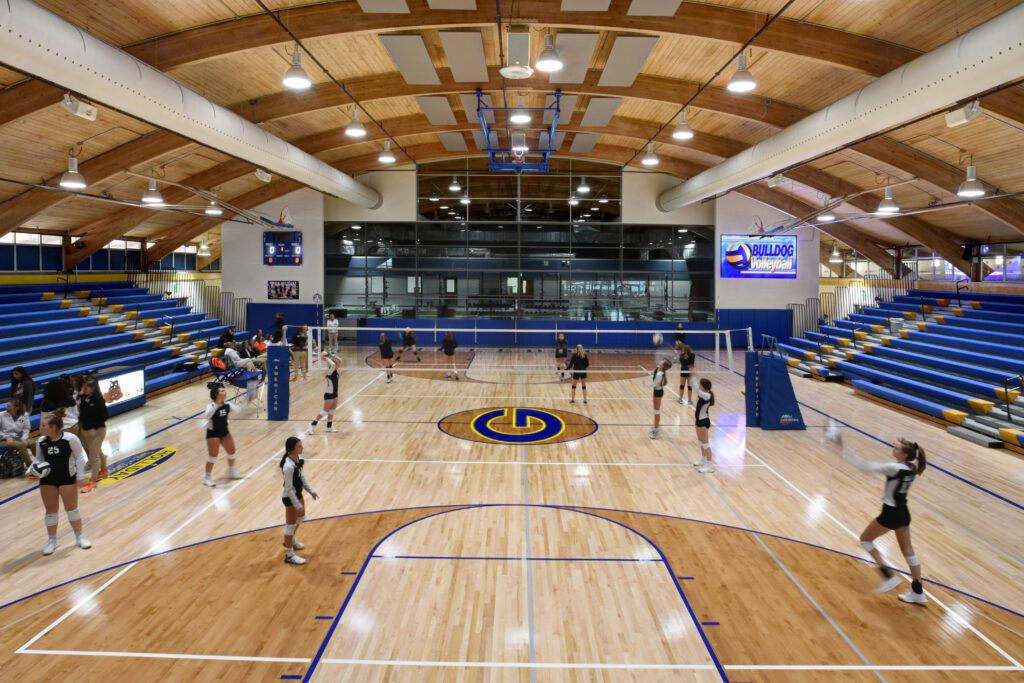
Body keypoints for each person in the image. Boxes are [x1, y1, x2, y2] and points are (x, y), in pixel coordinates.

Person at [847, 439, 929, 605]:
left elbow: (866, 467)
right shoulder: (911, 468)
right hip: (903, 513)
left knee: (865, 540)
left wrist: (846, 453)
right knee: (909, 553)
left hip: (890, 514)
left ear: (904, 454)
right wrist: (901, 443)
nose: (893, 448)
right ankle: (918, 592)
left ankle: (887, 575)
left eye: (896, 448)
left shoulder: (894, 468)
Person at [32, 414, 90, 555]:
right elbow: (38, 460)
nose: (40, 428)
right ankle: (52, 541)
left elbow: (80, 457)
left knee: (72, 509)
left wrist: (80, 476)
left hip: (67, 478)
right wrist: (32, 471)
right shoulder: (41, 441)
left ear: (53, 427)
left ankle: (80, 537)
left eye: (43, 425)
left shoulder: (70, 439)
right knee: (51, 512)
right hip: (48, 480)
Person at [280, 436, 319, 565]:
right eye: (299, 446)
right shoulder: (288, 466)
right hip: (290, 497)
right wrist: (296, 503)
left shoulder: (298, 458)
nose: (302, 448)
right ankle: (289, 555)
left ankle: (290, 540)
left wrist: (310, 490)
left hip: (297, 493)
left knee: (301, 516)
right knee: (290, 526)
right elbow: (288, 488)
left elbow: (301, 477)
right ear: (292, 449)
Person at [200, 384, 241, 487]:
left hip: (225, 432)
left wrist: (248, 401)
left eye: (224, 390)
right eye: (222, 391)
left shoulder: (228, 405)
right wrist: (217, 405)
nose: (225, 392)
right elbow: (207, 415)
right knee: (213, 456)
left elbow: (239, 411)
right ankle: (207, 478)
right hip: (213, 433)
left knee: (232, 452)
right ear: (216, 394)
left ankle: (231, 471)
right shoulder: (210, 406)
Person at [78, 378, 109, 493]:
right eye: (84, 386)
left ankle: (92, 481)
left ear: (93, 388)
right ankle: (104, 471)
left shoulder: (98, 399)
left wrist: (94, 427)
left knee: (93, 457)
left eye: (86, 387)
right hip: (86, 430)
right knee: (96, 451)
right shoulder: (84, 397)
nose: (84, 388)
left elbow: (105, 415)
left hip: (97, 430)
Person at [310, 353, 342, 433]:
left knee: (332, 411)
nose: (337, 364)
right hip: (329, 394)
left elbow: (340, 361)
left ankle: (329, 427)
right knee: (325, 411)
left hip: (335, 394)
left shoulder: (335, 370)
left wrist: (332, 355)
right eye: (335, 363)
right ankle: (312, 425)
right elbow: (333, 364)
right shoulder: (329, 372)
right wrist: (326, 358)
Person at [0, 399, 33, 467]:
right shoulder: (1, 415)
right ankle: (30, 466)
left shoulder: (25, 414)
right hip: (3, 439)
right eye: (7, 405)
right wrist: (6, 437)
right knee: (20, 445)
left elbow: (26, 428)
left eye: (9, 406)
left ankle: (40, 462)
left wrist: (24, 438)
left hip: (18, 437)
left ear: (16, 408)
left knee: (33, 443)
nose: (6, 407)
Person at [693, 378, 715, 473]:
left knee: (705, 443)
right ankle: (704, 459)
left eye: (700, 384)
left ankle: (710, 465)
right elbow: (697, 390)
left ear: (703, 386)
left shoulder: (707, 395)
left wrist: (692, 376)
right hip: (698, 421)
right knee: (700, 441)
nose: (699, 386)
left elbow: (696, 390)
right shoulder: (703, 393)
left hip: (704, 421)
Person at [650, 358, 671, 440]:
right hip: (656, 391)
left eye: (663, 361)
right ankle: (656, 426)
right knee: (655, 410)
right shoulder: (658, 370)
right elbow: (653, 373)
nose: (661, 361)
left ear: (663, 365)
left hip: (658, 392)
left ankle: (656, 431)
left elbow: (654, 384)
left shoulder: (660, 374)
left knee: (656, 411)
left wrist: (645, 384)